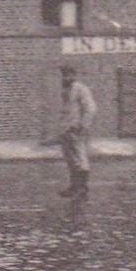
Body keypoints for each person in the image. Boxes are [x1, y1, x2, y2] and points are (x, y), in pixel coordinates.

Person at [57, 65, 97, 198]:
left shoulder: (80, 88)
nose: (65, 78)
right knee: (70, 158)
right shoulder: (65, 90)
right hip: (66, 129)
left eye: (68, 75)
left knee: (80, 157)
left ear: (74, 75)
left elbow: (90, 108)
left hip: (77, 129)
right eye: (63, 75)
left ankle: (82, 187)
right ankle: (74, 186)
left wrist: (82, 125)